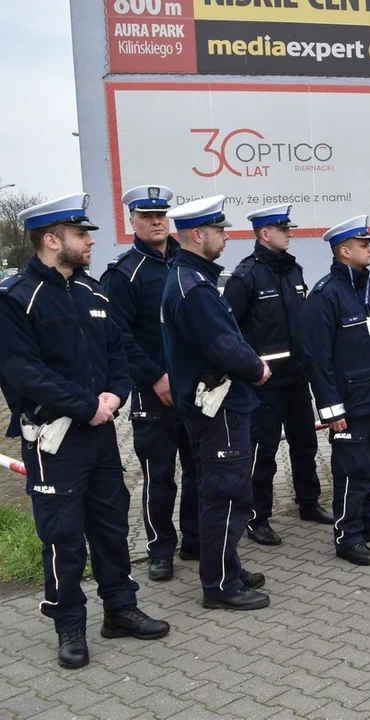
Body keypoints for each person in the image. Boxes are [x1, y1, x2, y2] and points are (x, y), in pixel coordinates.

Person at [0, 193, 170, 669]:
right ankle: (68, 624)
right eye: (81, 234)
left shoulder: (94, 293)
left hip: (98, 432)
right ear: (51, 240)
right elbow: (22, 371)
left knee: (111, 525)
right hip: (55, 439)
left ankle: (120, 609)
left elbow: (117, 353)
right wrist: (85, 406)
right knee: (63, 535)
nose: (90, 240)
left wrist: (114, 395)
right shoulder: (16, 298)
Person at [161, 195, 271, 611]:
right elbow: (225, 346)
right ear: (197, 234)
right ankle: (220, 586)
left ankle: (228, 566)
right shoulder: (194, 287)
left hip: (218, 404)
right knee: (227, 494)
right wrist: (257, 369)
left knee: (220, 490)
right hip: (219, 406)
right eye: (220, 230)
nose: (226, 236)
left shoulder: (196, 279)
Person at [298, 215, 370, 565]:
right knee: (351, 469)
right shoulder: (325, 295)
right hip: (349, 405)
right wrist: (332, 409)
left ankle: (369, 518)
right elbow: (317, 358)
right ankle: (348, 535)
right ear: (345, 251)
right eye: (363, 244)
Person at [101, 185, 197, 583]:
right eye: (147, 216)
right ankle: (160, 548)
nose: (157, 222)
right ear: (133, 221)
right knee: (160, 476)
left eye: (161, 215)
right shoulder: (123, 274)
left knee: (200, 470)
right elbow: (118, 336)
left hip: (194, 388)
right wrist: (155, 377)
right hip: (152, 392)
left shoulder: (187, 263)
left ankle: (194, 540)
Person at [223, 204, 333, 548]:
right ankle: (258, 517)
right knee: (263, 453)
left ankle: (308, 502)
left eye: (289, 228)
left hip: (298, 379)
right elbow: (231, 332)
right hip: (265, 385)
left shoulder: (293, 271)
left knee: (305, 445)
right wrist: (251, 369)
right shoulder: (245, 277)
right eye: (282, 229)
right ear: (264, 234)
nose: (289, 233)